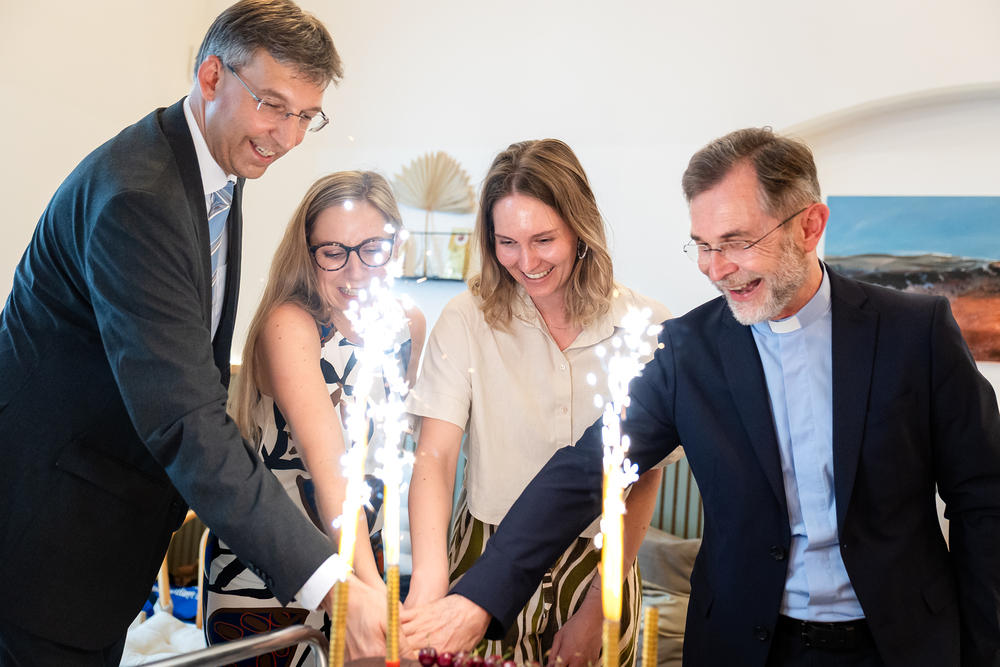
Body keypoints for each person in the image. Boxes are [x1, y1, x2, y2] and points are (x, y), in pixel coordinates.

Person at [400, 128, 1000, 667]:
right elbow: (589, 468)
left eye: (735, 242)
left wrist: (985, 648)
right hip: (745, 644)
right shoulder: (689, 349)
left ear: (809, 226)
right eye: (702, 245)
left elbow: (984, 500)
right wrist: (478, 599)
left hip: (900, 643)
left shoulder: (914, 333)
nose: (715, 269)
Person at [0, 1, 380, 663]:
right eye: (273, 105)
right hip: (48, 534)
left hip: (108, 535)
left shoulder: (217, 167)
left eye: (305, 116)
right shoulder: (138, 198)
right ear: (211, 77)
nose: (288, 137)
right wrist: (328, 582)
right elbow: (185, 417)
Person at [403, 139, 678, 667]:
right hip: (482, 551)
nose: (526, 262)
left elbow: (642, 477)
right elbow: (435, 457)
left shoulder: (646, 326)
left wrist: (598, 611)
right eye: (506, 242)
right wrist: (429, 586)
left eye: (544, 239)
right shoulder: (467, 318)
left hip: (602, 563)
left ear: (580, 227)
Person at [204, 171, 426, 664]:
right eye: (333, 252)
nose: (355, 271)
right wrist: (367, 594)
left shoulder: (408, 324)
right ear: (308, 254)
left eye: (372, 248)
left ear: (395, 246)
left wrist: (377, 585)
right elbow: (330, 469)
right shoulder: (291, 325)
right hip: (273, 573)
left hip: (364, 556)